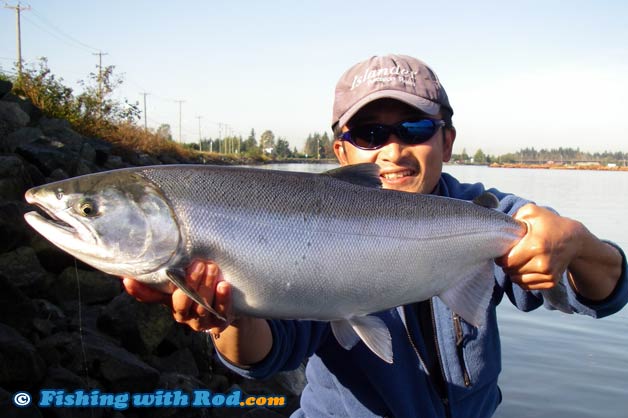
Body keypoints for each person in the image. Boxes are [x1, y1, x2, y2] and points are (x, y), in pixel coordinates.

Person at [122, 54, 628, 417]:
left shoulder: (485, 212)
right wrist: (224, 317)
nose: (391, 150)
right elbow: (267, 354)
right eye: (368, 135)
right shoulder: (296, 222)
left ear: (446, 141)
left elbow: (603, 294)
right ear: (341, 151)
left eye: (413, 128)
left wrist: (577, 242)